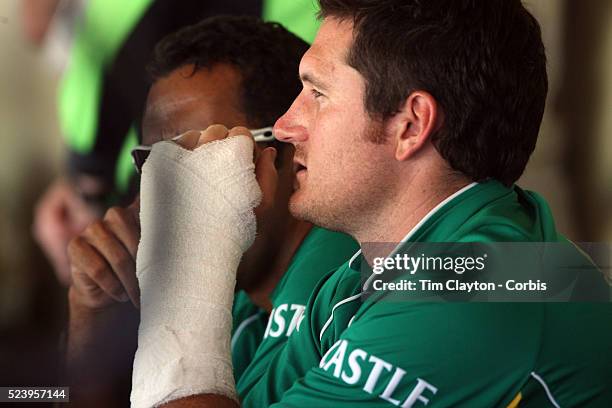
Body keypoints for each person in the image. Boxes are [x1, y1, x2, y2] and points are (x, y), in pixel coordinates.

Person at [130, 1, 612, 407]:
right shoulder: (365, 274)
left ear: (410, 125)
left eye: (317, 93)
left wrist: (185, 262)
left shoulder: (476, 288)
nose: (285, 125)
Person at [64, 16, 357, 406]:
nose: (166, 191)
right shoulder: (235, 292)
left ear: (288, 149)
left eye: (198, 154)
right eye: (151, 162)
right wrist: (90, 320)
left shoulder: (349, 282)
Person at [32, 0, 321, 286]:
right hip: (140, 226)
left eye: (207, 151)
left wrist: (85, 185)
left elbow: (35, 26)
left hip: (298, 227)